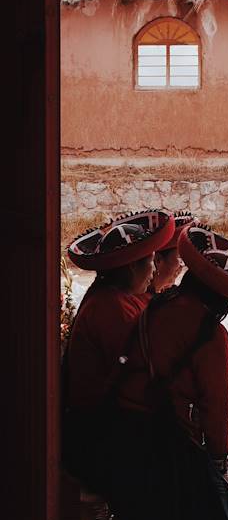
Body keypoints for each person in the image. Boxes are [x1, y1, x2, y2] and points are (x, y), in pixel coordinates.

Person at [113, 224, 228, 520]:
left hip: (131, 431)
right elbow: (218, 410)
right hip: (170, 446)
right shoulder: (211, 335)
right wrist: (222, 464)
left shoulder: (157, 306)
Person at [62, 209, 174, 492]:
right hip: (101, 435)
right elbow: (145, 367)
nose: (153, 272)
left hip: (110, 425)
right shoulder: (112, 308)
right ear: (130, 268)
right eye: (149, 263)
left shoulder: (117, 298)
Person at [147, 211, 197, 294]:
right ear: (158, 260)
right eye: (180, 259)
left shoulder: (164, 293)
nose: (182, 267)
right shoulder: (134, 302)